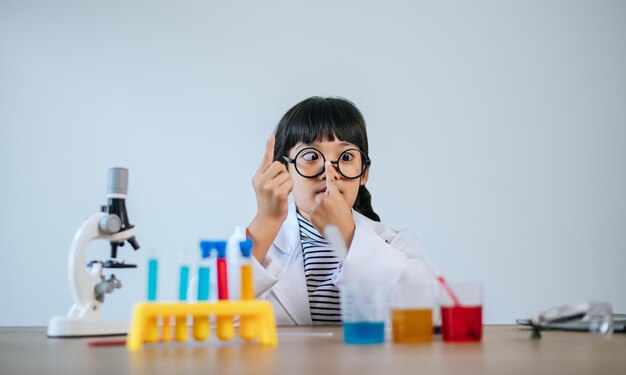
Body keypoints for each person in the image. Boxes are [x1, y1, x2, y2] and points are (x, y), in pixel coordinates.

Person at [228, 96, 433, 325]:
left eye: (346, 157)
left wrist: (347, 234)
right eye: (311, 156)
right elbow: (205, 318)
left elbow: (425, 311)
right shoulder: (262, 246)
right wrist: (266, 221)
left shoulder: (392, 244)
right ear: (284, 170)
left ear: (363, 172)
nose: (328, 172)